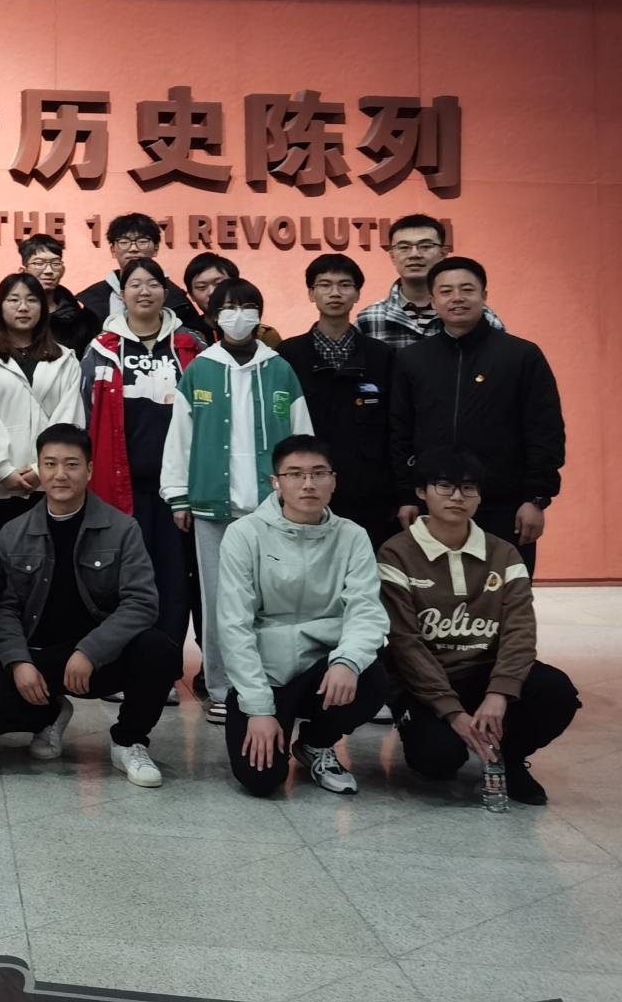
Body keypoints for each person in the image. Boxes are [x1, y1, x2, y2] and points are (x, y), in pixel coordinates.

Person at [0, 424, 180, 786]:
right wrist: (19, 662)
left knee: (160, 651)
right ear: (38, 468)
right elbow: (5, 608)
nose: (60, 474)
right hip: (42, 655)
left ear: (89, 469)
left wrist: (90, 651)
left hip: (102, 657)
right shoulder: (13, 532)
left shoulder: (122, 528)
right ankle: (50, 713)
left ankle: (128, 740)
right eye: (50, 464)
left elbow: (142, 602)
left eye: (71, 464)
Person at [379, 449, 580, 805]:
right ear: (422, 492)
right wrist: (451, 711)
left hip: (483, 675)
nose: (457, 497)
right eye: (445, 486)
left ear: (480, 496)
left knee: (557, 692)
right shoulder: (396, 553)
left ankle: (508, 759)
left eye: (468, 488)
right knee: (438, 761)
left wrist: (499, 693)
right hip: (424, 686)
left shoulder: (504, 553)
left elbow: (520, 632)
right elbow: (405, 643)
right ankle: (431, 730)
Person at [162, 277, 314, 724]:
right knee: (218, 601)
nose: (239, 315)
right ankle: (223, 688)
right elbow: (180, 437)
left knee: (275, 599)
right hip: (214, 507)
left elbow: (302, 435)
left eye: (248, 306)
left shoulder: (280, 369)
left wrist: (304, 488)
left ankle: (271, 684)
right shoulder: (200, 369)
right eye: (229, 307)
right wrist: (178, 496)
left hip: (274, 509)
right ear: (213, 316)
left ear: (260, 314)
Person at [214, 435, 390, 797]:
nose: (308, 483)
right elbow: (234, 625)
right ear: (276, 482)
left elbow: (366, 610)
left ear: (333, 480)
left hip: (323, 669)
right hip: (266, 672)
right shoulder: (244, 534)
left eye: (318, 473)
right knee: (260, 779)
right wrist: (259, 709)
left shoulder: (353, 536)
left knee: (371, 677)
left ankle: (316, 743)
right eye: (295, 474)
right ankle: (263, 715)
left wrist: (347, 661)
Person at [389, 257, 562, 574]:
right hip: (433, 505)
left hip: (504, 505)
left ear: (484, 295)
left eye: (467, 289)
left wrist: (536, 498)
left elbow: (545, 430)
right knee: (437, 597)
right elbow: (399, 432)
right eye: (446, 291)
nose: (457, 298)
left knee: (504, 594)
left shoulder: (521, 356)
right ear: (433, 300)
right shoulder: (412, 359)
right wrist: (406, 496)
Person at [82, 258, 203, 692]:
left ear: (165, 292)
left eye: (153, 283)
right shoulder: (102, 347)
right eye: (135, 284)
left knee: (173, 580)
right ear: (122, 294)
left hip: (177, 491)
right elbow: (84, 414)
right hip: (120, 488)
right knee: (124, 579)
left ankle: (163, 671)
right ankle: (120, 667)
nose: (144, 291)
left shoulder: (190, 345)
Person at [277, 255, 397, 551]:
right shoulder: (288, 354)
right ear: (311, 293)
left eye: (345, 285)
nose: (335, 293)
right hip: (306, 489)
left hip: (370, 490)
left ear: (357, 294)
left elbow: (397, 423)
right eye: (325, 285)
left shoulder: (381, 355)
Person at [0, 273, 85, 538]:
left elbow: (69, 418)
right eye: (13, 299)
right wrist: (2, 469)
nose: (23, 307)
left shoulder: (65, 359)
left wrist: (41, 469)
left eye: (32, 300)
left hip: (50, 484)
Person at [357, 214, 505, 350]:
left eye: (425, 246)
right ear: (392, 256)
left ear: (443, 253)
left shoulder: (480, 316)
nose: (415, 254)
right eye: (404, 247)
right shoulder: (369, 319)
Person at [74, 214, 199, 335]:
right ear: (113, 250)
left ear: (156, 248)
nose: (133, 248)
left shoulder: (177, 298)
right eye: (124, 242)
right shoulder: (95, 298)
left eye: (142, 241)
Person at [181, 253, 284, 350]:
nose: (212, 292)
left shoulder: (264, 335)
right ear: (191, 295)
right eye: (201, 287)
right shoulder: (184, 336)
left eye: (219, 284)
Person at [21, 234, 91, 354]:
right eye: (39, 263)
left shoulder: (77, 318)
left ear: (63, 270)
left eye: (55, 263)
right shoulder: (11, 313)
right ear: (23, 270)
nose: (48, 271)